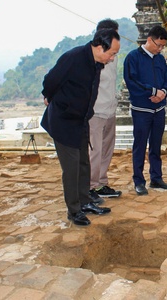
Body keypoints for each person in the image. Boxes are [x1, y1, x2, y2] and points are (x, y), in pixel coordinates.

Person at [41, 29, 120, 226]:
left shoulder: (96, 63)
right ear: (101, 47)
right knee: (72, 168)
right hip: (63, 121)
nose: (112, 59)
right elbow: (50, 81)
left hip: (81, 120)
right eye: (112, 54)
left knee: (84, 163)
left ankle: (85, 202)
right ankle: (74, 210)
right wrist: (51, 98)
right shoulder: (74, 58)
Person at [123, 25, 167, 196]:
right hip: (141, 110)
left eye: (163, 46)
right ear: (149, 40)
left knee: (156, 145)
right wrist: (152, 92)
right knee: (140, 145)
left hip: (159, 109)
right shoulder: (132, 58)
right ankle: (138, 181)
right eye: (158, 45)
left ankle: (156, 178)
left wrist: (163, 93)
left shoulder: (160, 60)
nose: (160, 49)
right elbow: (131, 81)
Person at [88, 19, 122, 204]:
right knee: (94, 151)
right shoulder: (91, 57)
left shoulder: (113, 56)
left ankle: (101, 183)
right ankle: (90, 187)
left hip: (110, 109)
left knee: (106, 150)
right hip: (95, 112)